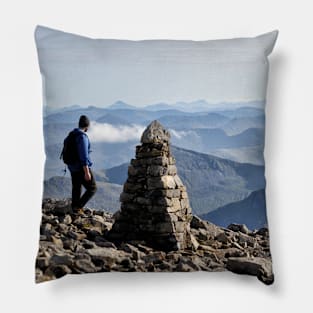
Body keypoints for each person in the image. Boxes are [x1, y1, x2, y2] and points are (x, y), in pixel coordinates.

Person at [68, 115, 97, 214]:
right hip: (81, 167)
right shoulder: (82, 137)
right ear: (87, 126)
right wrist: (87, 172)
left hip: (72, 166)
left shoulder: (72, 134)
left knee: (76, 187)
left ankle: (74, 208)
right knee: (92, 188)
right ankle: (78, 207)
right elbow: (83, 156)